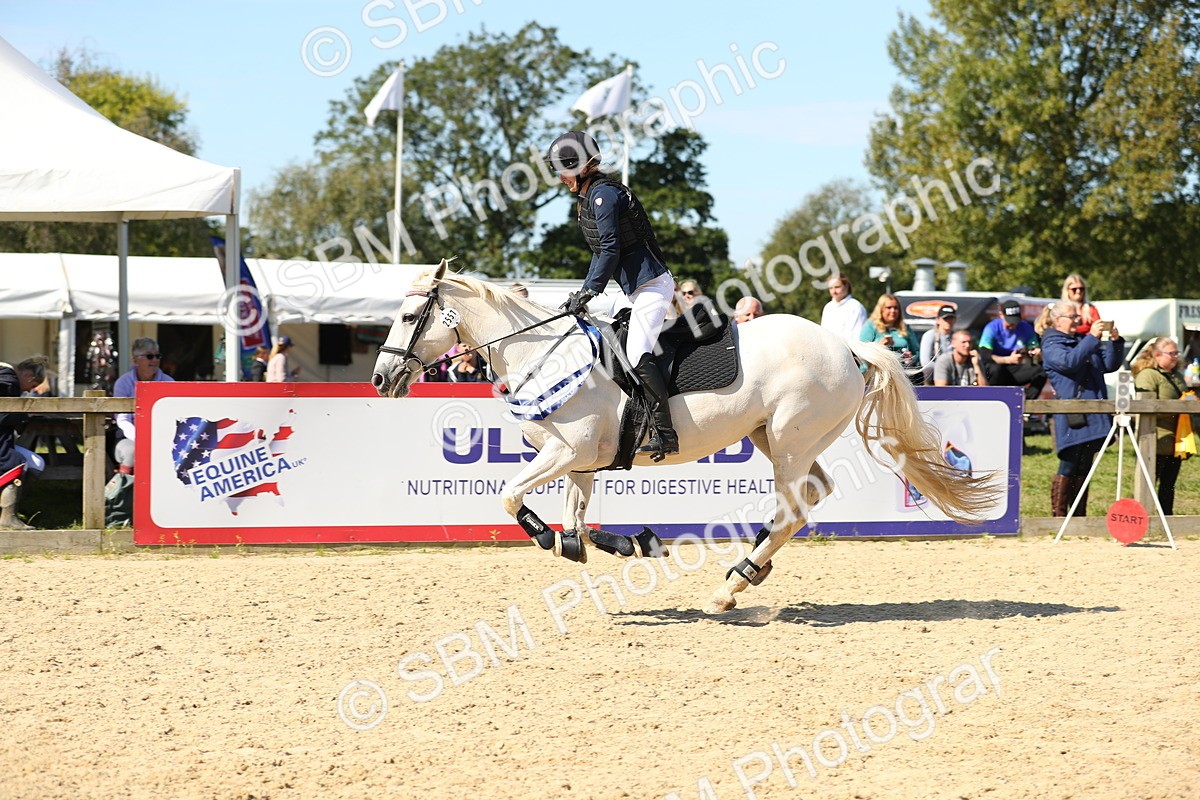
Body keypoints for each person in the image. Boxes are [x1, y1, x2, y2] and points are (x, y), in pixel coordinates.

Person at [544, 130, 678, 460]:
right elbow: (601, 252)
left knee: (635, 353)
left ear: (578, 167)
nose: (560, 178)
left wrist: (589, 290)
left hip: (651, 286)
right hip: (631, 290)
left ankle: (665, 431)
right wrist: (584, 290)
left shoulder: (604, 195)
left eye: (563, 170)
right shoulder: (591, 196)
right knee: (606, 346)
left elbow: (609, 249)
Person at [1041, 302, 1124, 517]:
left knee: (1085, 465)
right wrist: (1092, 338)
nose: (1078, 320)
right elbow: (1070, 362)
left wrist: (1114, 342)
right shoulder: (1051, 344)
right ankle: (1059, 518)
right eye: (1072, 316)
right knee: (1069, 465)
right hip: (1073, 416)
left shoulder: (1081, 341)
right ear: (1057, 320)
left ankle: (1078, 518)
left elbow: (1108, 365)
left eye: (1078, 317)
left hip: (1093, 413)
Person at [1131, 337, 1191, 515]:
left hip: (1176, 439)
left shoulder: (1177, 376)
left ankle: (1167, 518)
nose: (1176, 357)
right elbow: (1146, 406)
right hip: (1153, 439)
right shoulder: (1147, 375)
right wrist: (1178, 406)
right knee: (1147, 483)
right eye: (1171, 353)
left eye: (1176, 353)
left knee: (1169, 484)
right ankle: (1142, 518)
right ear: (1157, 355)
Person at [112, 337, 175, 475]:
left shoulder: (169, 382)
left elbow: (173, 416)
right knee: (131, 452)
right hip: (128, 437)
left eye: (157, 356)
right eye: (149, 356)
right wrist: (141, 439)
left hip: (163, 436)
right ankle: (125, 493)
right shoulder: (123, 383)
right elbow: (122, 420)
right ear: (136, 360)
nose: (155, 360)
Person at [1, 356, 49, 529]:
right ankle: (7, 519)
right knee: (16, 463)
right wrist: (24, 415)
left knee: (36, 463)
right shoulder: (8, 379)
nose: (30, 390)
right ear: (28, 375)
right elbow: (3, 415)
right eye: (33, 385)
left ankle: (10, 511)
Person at [979, 300, 1046, 400]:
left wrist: (1033, 353)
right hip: (994, 371)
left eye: (1015, 322)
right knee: (995, 368)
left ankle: (1026, 403)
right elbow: (985, 355)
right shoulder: (991, 328)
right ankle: (994, 398)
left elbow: (1033, 348)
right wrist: (1008, 359)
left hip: (1014, 369)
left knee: (1041, 372)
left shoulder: (1026, 327)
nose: (1013, 325)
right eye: (1009, 322)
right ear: (1001, 315)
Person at [860, 293, 921, 380]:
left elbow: (916, 351)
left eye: (896, 308)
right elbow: (862, 352)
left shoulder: (904, 327)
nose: (893, 311)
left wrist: (911, 358)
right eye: (889, 308)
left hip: (902, 373)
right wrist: (879, 346)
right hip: (875, 373)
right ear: (881, 309)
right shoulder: (870, 326)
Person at [820, 273, 868, 341]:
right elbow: (823, 334)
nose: (834, 291)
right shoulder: (828, 307)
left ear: (846, 286)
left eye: (837, 287)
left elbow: (855, 338)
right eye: (831, 288)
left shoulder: (855, 307)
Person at [920, 305, 957, 384]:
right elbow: (925, 363)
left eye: (951, 318)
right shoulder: (929, 335)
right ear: (938, 320)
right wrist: (944, 369)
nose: (948, 321)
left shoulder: (957, 337)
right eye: (945, 318)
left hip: (955, 380)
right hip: (932, 382)